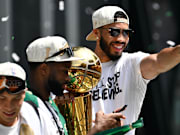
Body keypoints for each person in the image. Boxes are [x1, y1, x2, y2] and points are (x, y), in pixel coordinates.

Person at [86, 5, 180, 135]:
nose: (121, 39)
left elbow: (159, 61)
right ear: (97, 33)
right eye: (114, 32)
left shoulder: (132, 63)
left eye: (126, 32)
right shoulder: (78, 70)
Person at [25, 36, 126, 135]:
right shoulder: (26, 107)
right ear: (44, 69)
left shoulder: (50, 104)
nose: (68, 78)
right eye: (65, 71)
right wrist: (97, 129)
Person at [0, 62, 51, 135]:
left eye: (16, 98)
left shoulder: (35, 114)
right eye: (2, 98)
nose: (9, 107)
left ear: (24, 94)